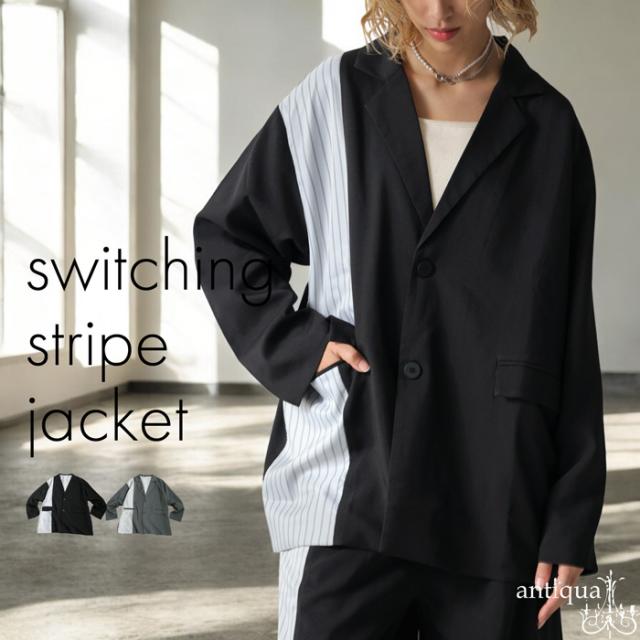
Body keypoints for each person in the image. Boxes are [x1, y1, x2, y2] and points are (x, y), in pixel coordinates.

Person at [192, 0, 607, 638]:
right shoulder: (335, 95)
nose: (438, 9)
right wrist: (299, 345)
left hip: (498, 497)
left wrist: (570, 514)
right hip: (349, 485)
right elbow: (228, 237)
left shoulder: (549, 125)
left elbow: (570, 332)